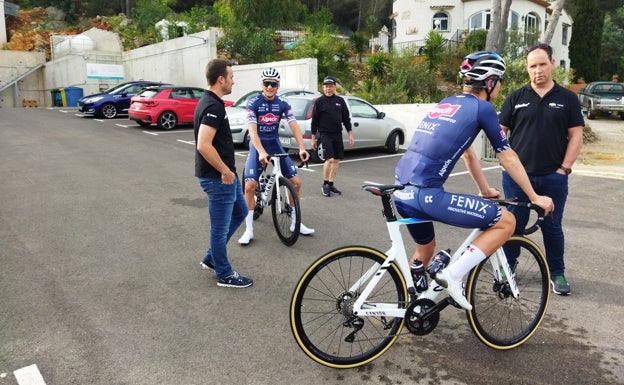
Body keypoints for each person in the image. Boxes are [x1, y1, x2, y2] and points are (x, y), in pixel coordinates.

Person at [393, 51, 554, 310]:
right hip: (427, 195)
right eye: (499, 80)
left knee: (426, 247)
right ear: (489, 82)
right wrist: (534, 197)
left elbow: (468, 153)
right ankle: (453, 276)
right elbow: (508, 157)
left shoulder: (448, 102)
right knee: (507, 221)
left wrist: (484, 189)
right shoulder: (482, 107)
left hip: (401, 191)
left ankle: (415, 306)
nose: (500, 86)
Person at [499, 43, 584, 295]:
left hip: (552, 177)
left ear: (552, 64)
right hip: (516, 178)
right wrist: (506, 165)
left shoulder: (567, 98)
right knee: (514, 224)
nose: (538, 70)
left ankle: (556, 272)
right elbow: (499, 135)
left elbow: (576, 136)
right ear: (527, 68)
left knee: (552, 225)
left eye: (542, 64)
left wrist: (564, 169)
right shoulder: (515, 97)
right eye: (532, 66)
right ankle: (507, 267)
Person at [238, 67, 315, 245]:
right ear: (262, 84)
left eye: (273, 84)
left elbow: (294, 124)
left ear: (278, 85)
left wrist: (302, 148)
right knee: (249, 186)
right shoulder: (253, 102)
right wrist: (261, 152)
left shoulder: (283, 103)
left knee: (296, 183)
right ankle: (248, 230)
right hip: (257, 144)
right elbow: (252, 130)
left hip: (274, 143)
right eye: (267, 83)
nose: (270, 87)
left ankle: (296, 223)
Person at [194, 58, 253, 288]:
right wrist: (225, 171)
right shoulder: (212, 106)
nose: (233, 81)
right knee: (219, 229)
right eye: (231, 77)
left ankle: (212, 258)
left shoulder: (212, 102)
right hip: (218, 178)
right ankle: (224, 274)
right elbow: (203, 145)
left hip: (227, 176)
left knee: (240, 210)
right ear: (221, 79)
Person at [311, 76, 354, 197]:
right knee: (329, 159)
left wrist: (350, 134)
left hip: (337, 134)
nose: (328, 89)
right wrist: (313, 138)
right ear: (323, 87)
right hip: (325, 134)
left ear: (334, 87)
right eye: (326, 86)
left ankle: (331, 184)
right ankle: (325, 184)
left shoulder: (340, 101)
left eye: (330, 86)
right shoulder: (319, 102)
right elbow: (314, 121)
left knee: (336, 160)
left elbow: (346, 118)